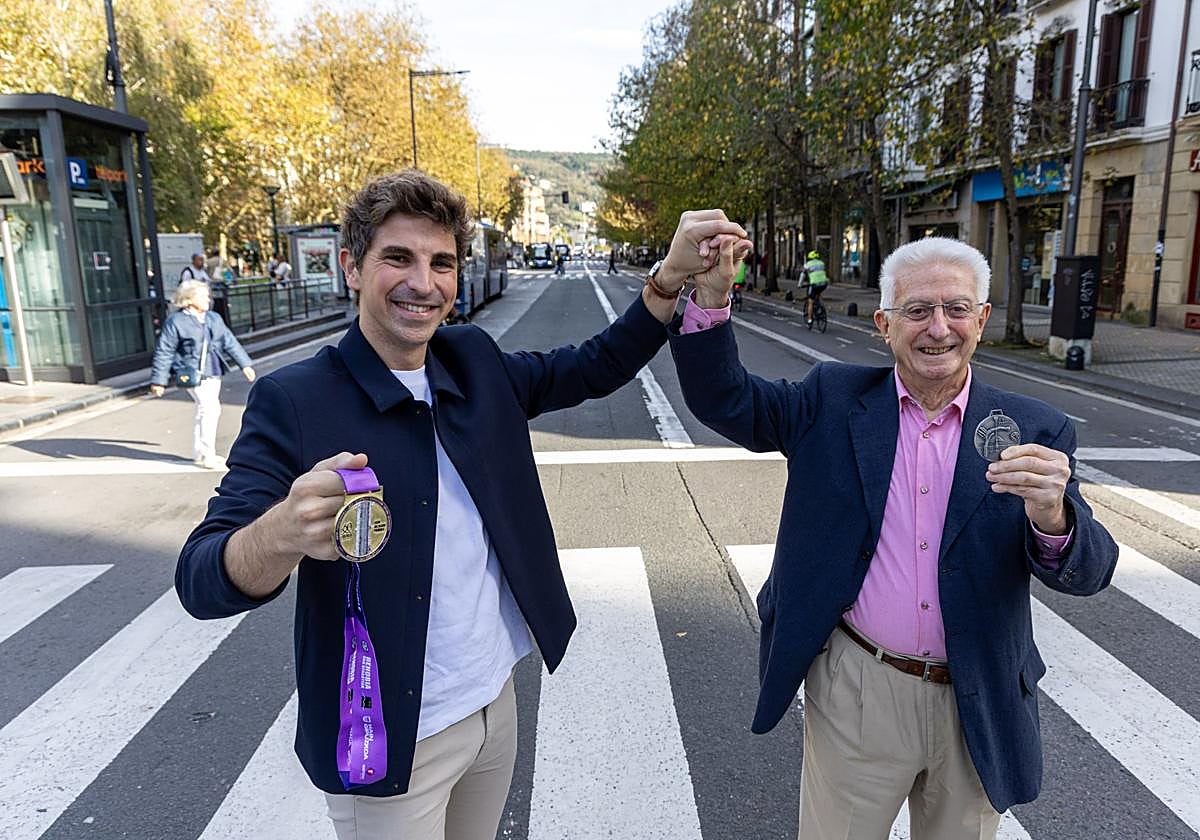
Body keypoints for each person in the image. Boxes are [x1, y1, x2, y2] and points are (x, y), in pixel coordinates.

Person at [174, 169, 746, 840]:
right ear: (353, 269)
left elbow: (593, 365)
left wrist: (670, 278)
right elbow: (200, 578)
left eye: (441, 263)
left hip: (491, 706)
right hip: (388, 738)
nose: (424, 282)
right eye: (398, 258)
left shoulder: (470, 358)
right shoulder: (295, 400)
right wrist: (279, 532)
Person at [669, 236, 1118, 840]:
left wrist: (1053, 516)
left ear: (981, 320)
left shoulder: (1036, 428)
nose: (939, 328)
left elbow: (1088, 572)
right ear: (884, 324)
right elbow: (727, 400)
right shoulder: (830, 400)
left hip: (978, 692)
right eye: (917, 310)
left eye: (957, 309)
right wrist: (713, 297)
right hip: (860, 686)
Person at [149, 280, 256, 469]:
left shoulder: (213, 318)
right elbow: (164, 350)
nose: (208, 299)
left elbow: (229, 341)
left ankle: (199, 452)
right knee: (210, 409)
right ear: (189, 299)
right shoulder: (176, 321)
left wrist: (245, 364)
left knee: (204, 409)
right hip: (192, 373)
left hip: (214, 370)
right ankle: (208, 455)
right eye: (203, 296)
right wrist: (159, 381)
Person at [801, 249, 828, 326]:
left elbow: (802, 275)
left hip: (814, 284)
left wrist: (800, 284)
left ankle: (809, 319)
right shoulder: (822, 263)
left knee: (810, 302)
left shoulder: (808, 264)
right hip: (824, 283)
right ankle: (820, 307)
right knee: (818, 294)